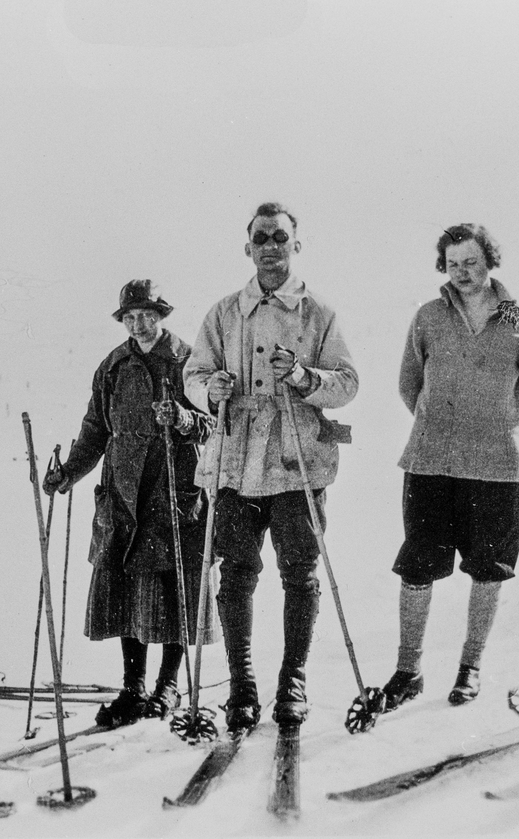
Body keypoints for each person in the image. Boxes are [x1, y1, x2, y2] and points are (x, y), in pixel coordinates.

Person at [184, 202, 358, 732]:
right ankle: (241, 685)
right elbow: (194, 373)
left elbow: (348, 383)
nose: (270, 247)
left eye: (280, 237)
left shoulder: (318, 314)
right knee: (235, 576)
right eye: (261, 238)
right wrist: (208, 389)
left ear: (295, 246)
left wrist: (305, 377)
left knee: (299, 574)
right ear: (248, 248)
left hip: (294, 463)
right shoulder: (223, 313)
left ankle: (293, 681)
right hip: (235, 464)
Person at [381, 224, 519, 711]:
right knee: (418, 565)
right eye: (453, 265)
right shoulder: (428, 317)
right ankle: (408, 670)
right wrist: (443, 426)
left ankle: (470, 667)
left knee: (487, 569)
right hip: (432, 461)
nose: (463, 273)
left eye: (471, 262)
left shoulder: (517, 319)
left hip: (497, 466)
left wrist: (492, 423)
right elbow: (410, 384)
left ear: (490, 260)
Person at [43, 280, 214, 728]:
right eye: (131, 317)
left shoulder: (189, 361)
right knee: (127, 593)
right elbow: (95, 428)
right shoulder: (113, 367)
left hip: (174, 492)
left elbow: (215, 424)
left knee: (174, 589)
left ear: (162, 316)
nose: (139, 324)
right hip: (122, 493)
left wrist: (181, 419)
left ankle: (168, 686)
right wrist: (68, 474)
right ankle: (134, 686)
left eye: (147, 315)